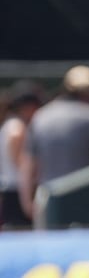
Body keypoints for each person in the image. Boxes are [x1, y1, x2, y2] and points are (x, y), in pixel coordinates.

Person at [19, 66, 89, 228]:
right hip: (84, 205)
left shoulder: (41, 116)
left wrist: (27, 202)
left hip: (47, 203)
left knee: (49, 252)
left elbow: (28, 165)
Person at [0, 82, 42, 229]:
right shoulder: (17, 130)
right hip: (16, 192)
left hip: (12, 191)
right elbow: (22, 166)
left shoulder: (10, 125)